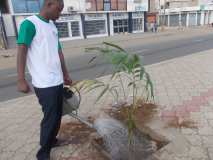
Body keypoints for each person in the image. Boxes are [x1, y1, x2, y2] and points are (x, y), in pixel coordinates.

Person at [16, 0, 72, 159]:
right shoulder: (29, 24)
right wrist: (21, 79)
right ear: (48, 4)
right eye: (59, 10)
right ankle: (43, 153)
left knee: (58, 114)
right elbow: (22, 50)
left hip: (57, 80)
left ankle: (52, 140)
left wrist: (66, 74)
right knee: (50, 117)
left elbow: (58, 52)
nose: (59, 15)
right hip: (44, 83)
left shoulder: (52, 26)